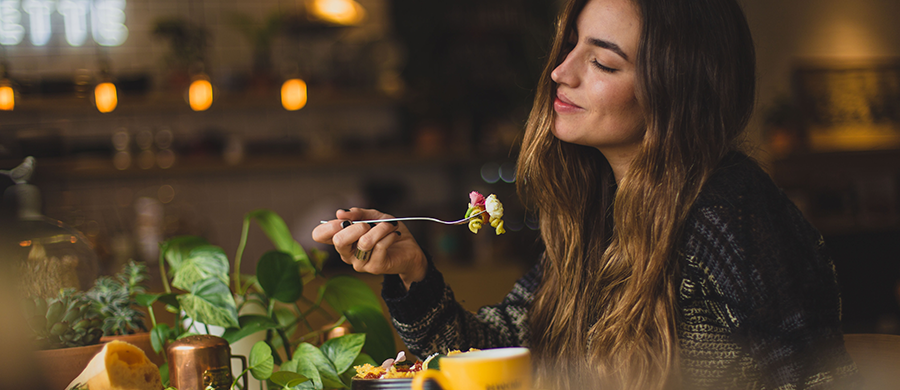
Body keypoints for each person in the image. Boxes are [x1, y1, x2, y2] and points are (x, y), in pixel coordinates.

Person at [312, 0, 862, 388]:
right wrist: (411, 271)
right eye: (571, 45)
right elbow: (494, 350)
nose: (559, 71)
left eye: (601, 61)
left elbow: (814, 376)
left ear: (677, 91)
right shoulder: (600, 215)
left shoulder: (727, 211)